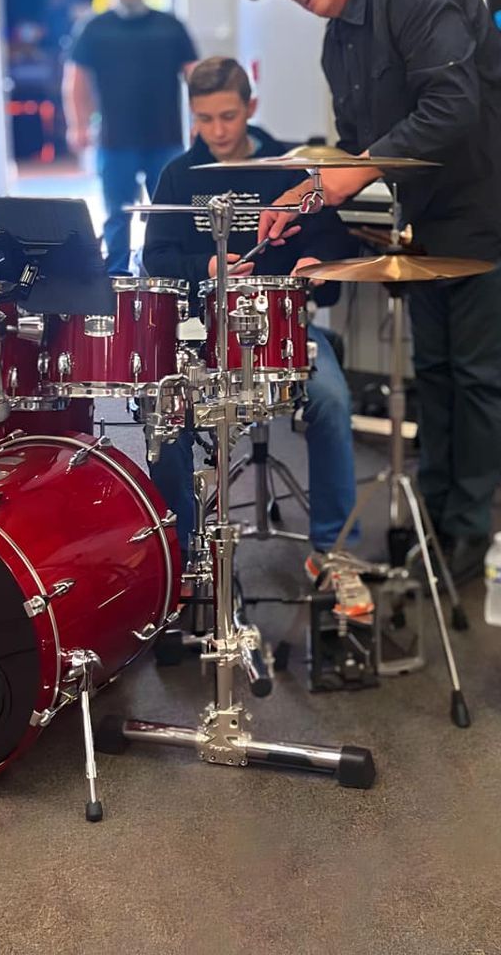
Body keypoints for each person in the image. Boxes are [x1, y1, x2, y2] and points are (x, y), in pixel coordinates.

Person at [245, 0, 501, 582]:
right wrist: (305, 199)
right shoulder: (338, 48)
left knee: (474, 375)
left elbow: (452, 107)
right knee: (438, 372)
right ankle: (439, 516)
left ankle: (465, 534)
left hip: (498, 207)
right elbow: (362, 155)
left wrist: (350, 175)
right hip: (431, 219)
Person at [141, 57, 371, 620]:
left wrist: (319, 263)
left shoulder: (292, 169)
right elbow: (156, 264)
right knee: (165, 413)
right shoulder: (177, 176)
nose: (216, 131)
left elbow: (337, 254)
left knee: (333, 401)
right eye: (203, 119)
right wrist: (207, 269)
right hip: (202, 336)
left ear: (251, 107)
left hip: (284, 333)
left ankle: (333, 550)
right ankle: (182, 555)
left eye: (227, 116)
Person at [63, 0, 197, 273]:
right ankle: (118, 281)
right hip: (115, 142)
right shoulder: (95, 28)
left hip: (165, 140)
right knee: (116, 216)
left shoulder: (170, 26)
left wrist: (200, 121)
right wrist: (77, 125)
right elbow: (76, 80)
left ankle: (171, 277)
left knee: (170, 214)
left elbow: (196, 76)